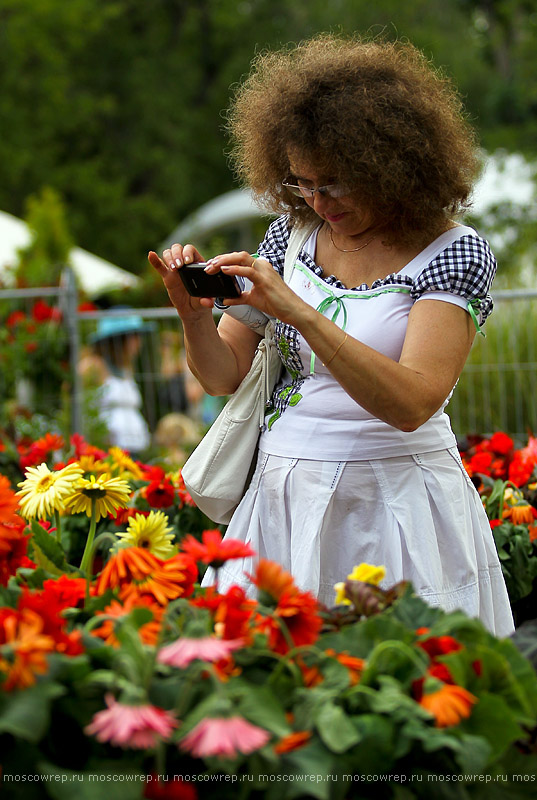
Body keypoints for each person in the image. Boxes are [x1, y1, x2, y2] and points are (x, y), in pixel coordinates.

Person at [149, 35, 514, 636]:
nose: (318, 201)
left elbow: (413, 404)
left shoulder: (454, 251)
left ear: (391, 165)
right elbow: (222, 375)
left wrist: (300, 313)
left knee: (408, 682)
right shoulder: (287, 238)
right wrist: (193, 316)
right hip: (284, 496)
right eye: (301, 183)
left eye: (337, 182)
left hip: (400, 503)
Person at [81, 314, 153, 457]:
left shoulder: (126, 368)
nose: (139, 342)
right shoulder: (93, 366)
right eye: (134, 336)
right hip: (107, 449)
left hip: (133, 447)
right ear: (120, 340)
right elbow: (77, 403)